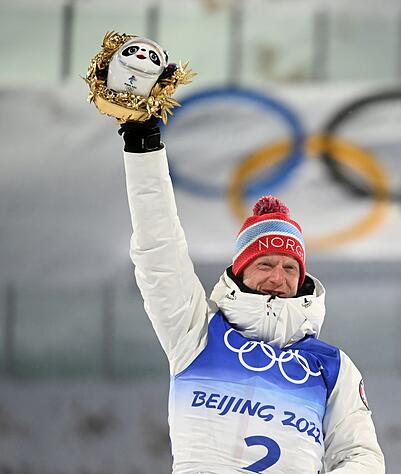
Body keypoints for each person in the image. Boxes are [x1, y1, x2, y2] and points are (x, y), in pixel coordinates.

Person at [118, 118, 385, 473]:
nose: (278, 277)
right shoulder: (197, 333)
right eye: (265, 265)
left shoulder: (332, 366)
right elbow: (159, 253)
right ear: (240, 270)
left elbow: (360, 455)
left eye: (290, 268)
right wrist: (143, 144)